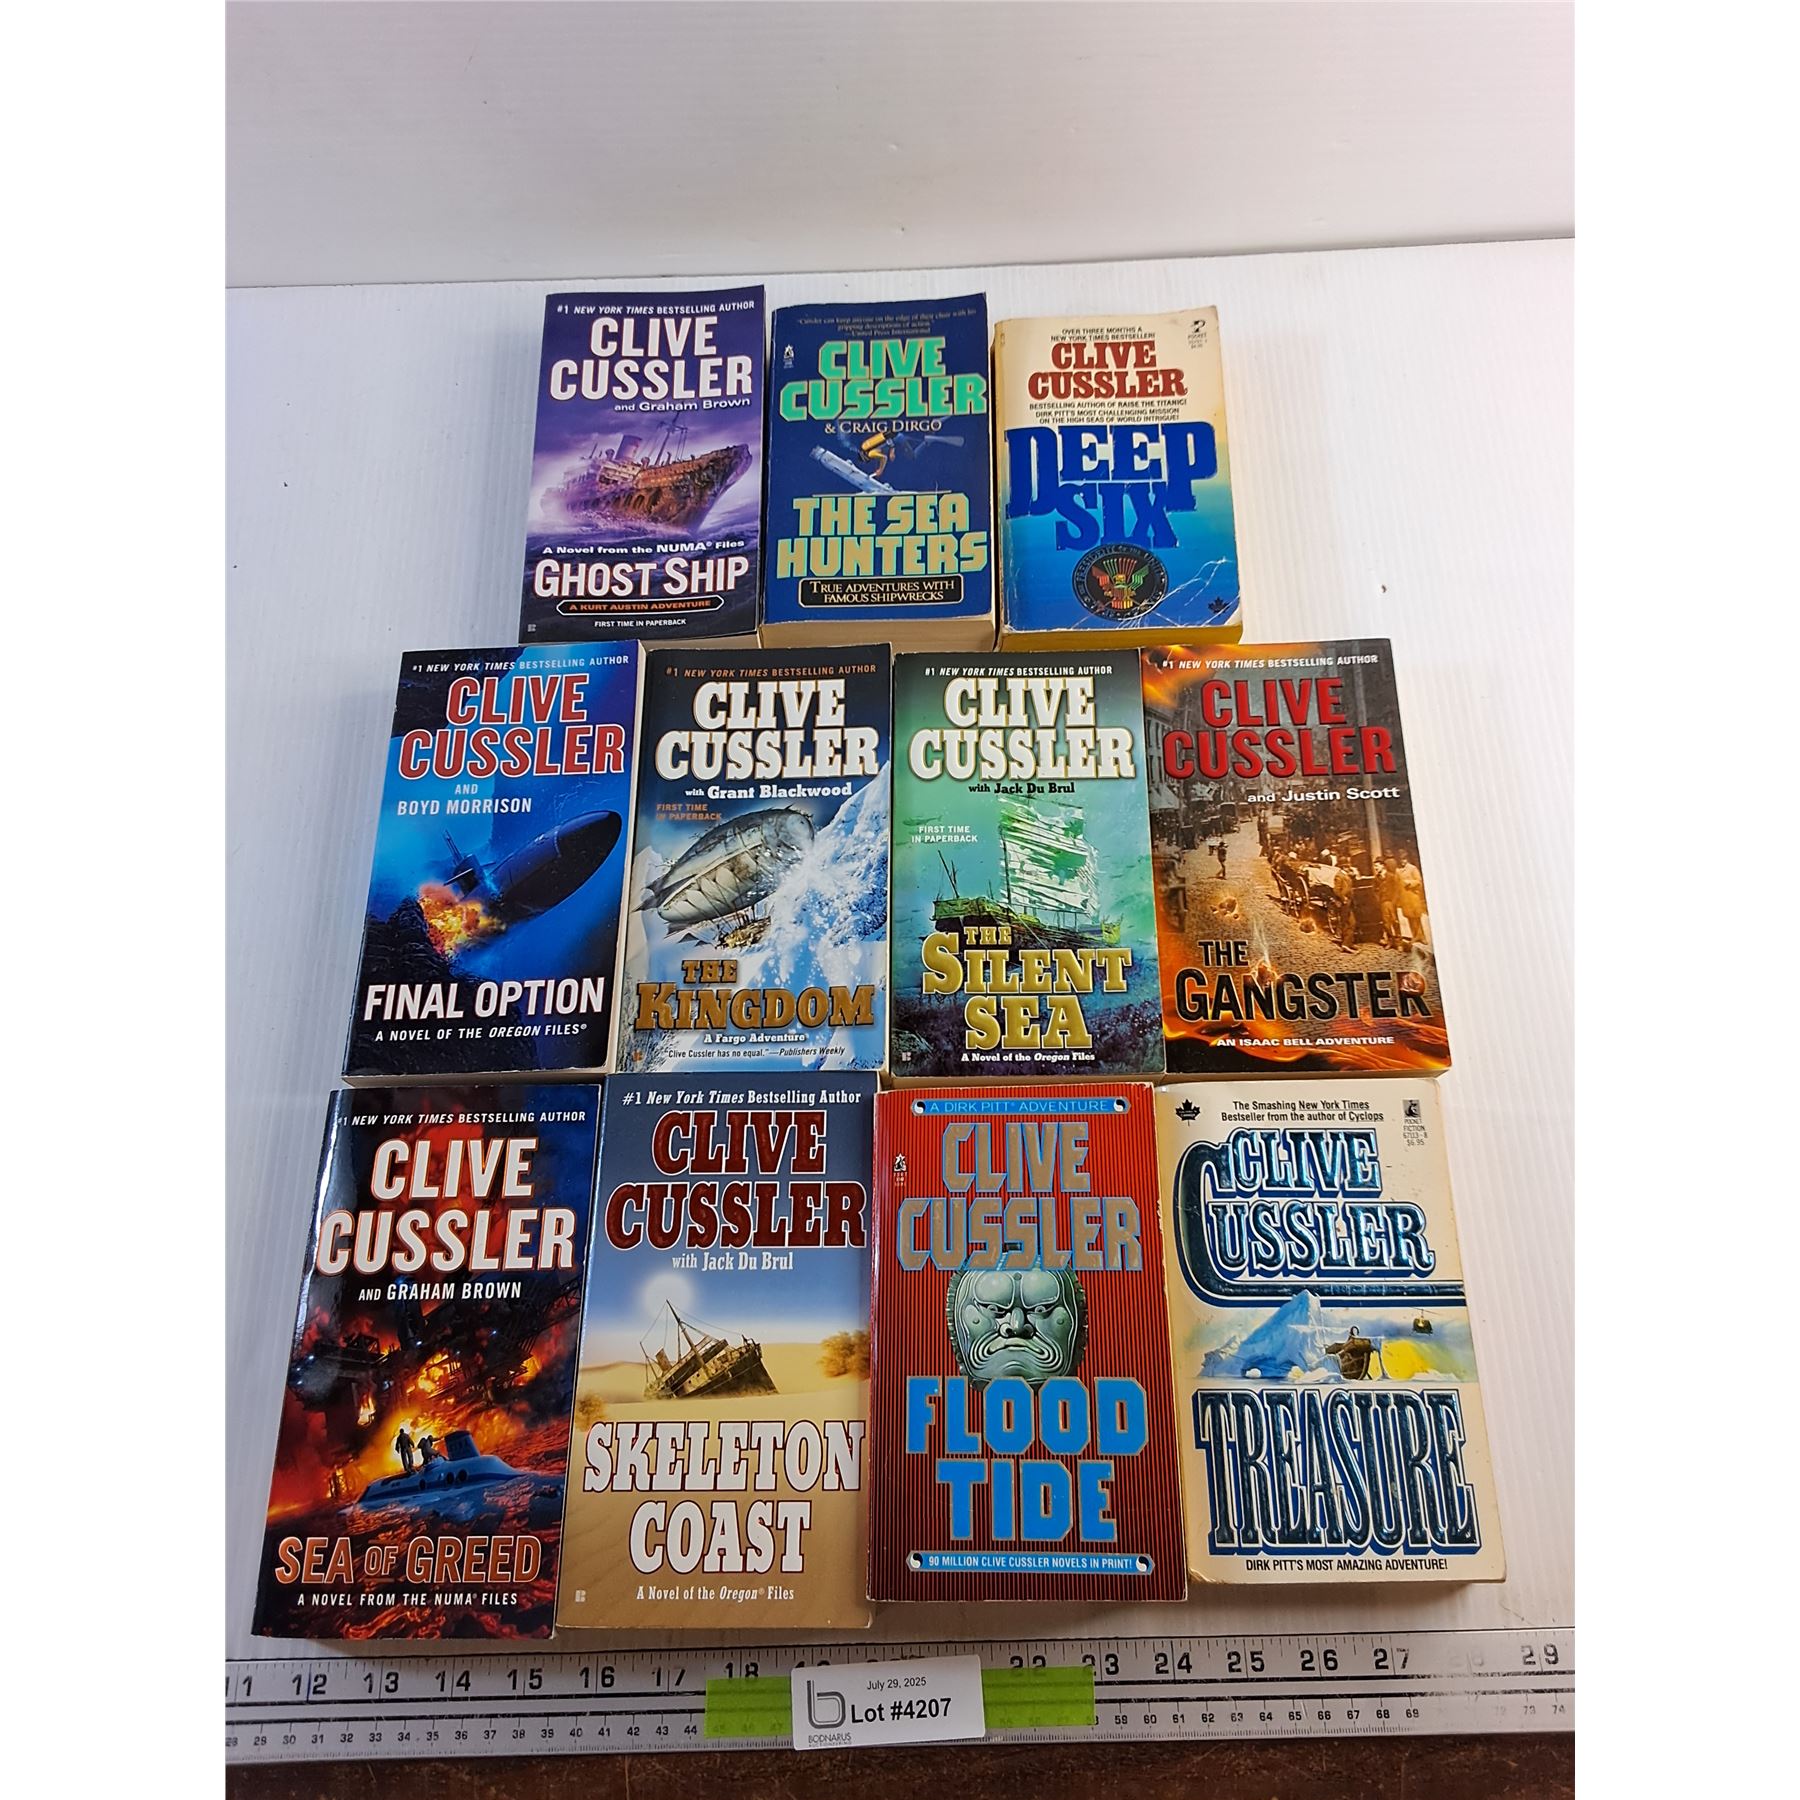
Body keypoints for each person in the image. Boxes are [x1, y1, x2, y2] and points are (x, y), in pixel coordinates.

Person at [1396, 855, 1428, 946]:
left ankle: (1422, 936)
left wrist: (1410, 882)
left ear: (1407, 859)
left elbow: (1418, 880)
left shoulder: (1412, 868)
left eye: (1404, 859)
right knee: (1409, 916)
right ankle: (1415, 935)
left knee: (1416, 916)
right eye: (1401, 859)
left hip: (1413, 896)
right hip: (1404, 898)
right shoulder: (1398, 870)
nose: (1402, 861)